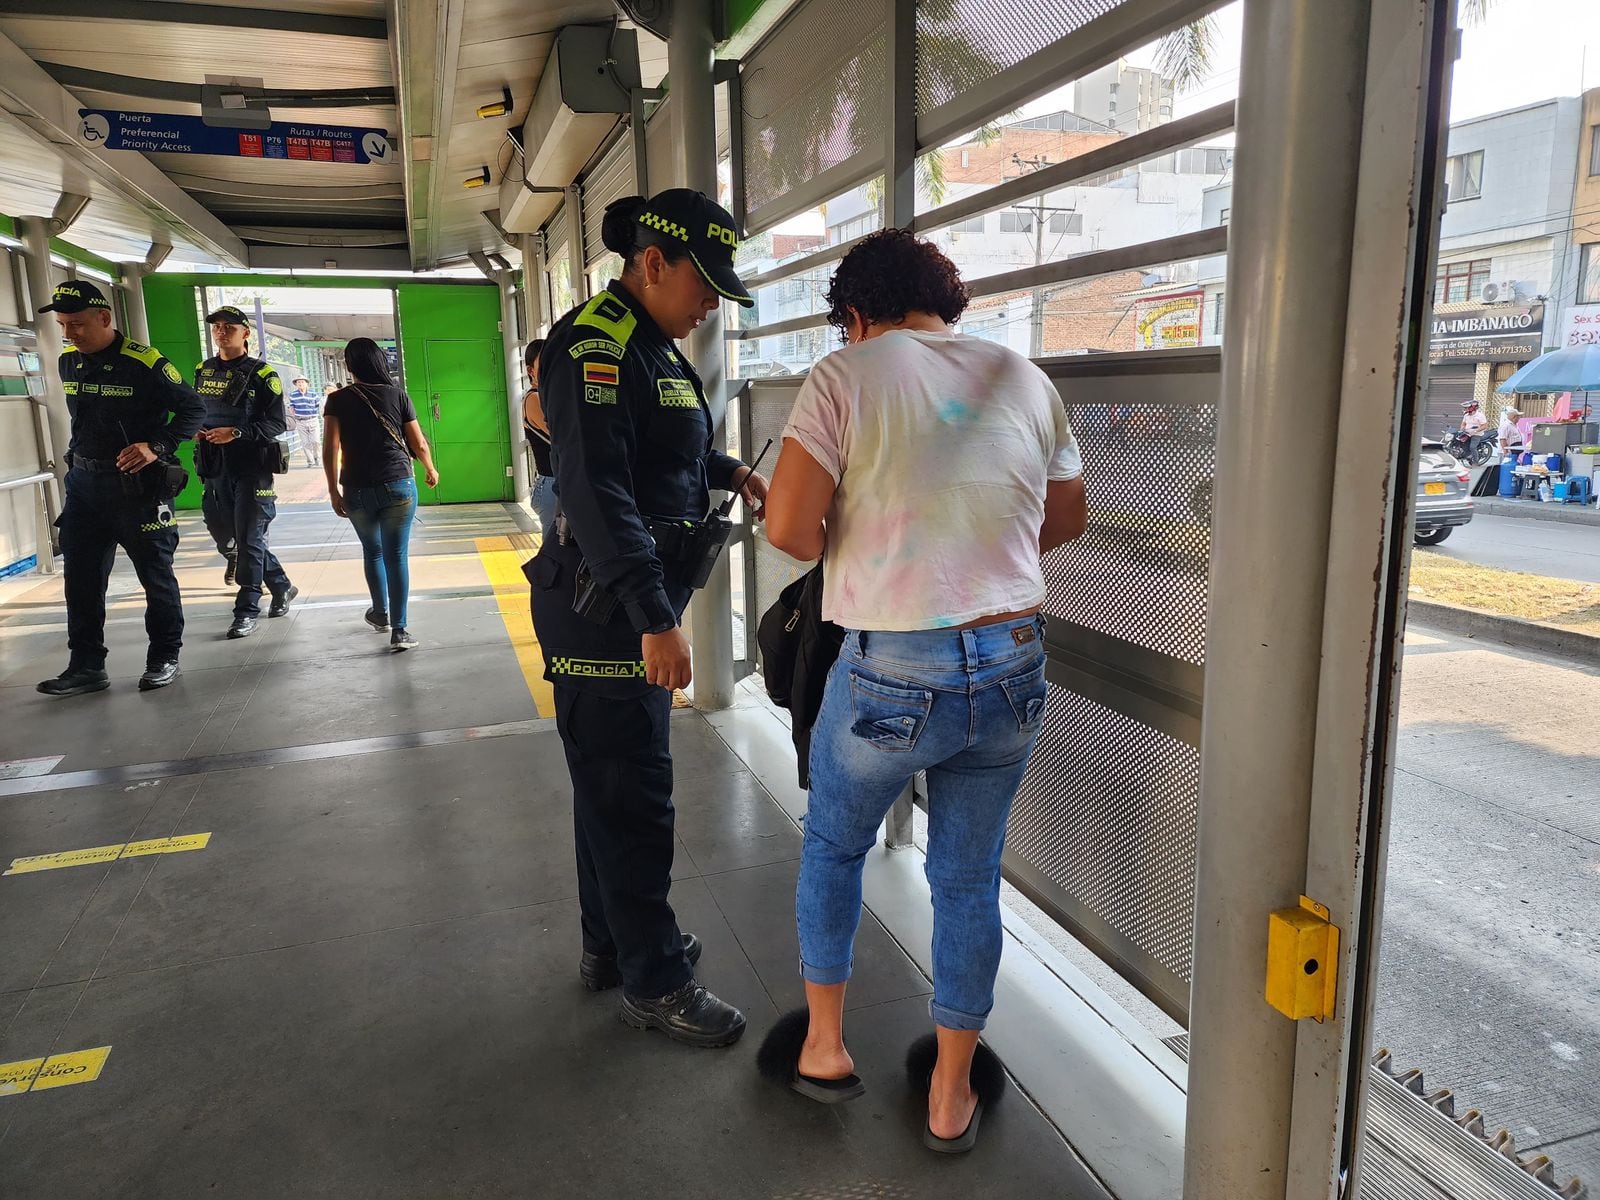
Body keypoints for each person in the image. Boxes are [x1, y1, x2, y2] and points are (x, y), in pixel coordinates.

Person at [759, 230, 1088, 1152]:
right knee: (967, 880)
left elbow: (790, 529)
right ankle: (950, 1094)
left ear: (857, 315)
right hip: (1015, 662)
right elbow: (1060, 519)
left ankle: (824, 1047)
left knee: (833, 848)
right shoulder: (1023, 376)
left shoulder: (847, 372)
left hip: (896, 673)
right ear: (946, 307)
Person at [530, 189, 767, 1048]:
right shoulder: (595, 344)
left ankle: (614, 946)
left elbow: (668, 450)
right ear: (653, 263)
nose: (711, 303)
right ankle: (656, 980)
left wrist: (729, 470)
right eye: (703, 284)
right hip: (607, 612)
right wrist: (653, 614)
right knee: (636, 799)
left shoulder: (651, 348)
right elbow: (597, 490)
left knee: (609, 787)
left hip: (621, 607)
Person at [35, 280, 204, 696]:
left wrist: (157, 445)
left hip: (137, 490)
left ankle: (164, 657)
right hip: (85, 488)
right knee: (81, 579)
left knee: (155, 575)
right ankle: (87, 666)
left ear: (104, 318)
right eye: (63, 325)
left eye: (76, 324)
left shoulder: (143, 362)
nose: (69, 333)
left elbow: (193, 408)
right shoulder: (68, 363)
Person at [322, 338, 438, 650]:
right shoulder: (397, 395)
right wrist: (430, 468)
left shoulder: (337, 400)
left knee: (373, 552)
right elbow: (418, 443)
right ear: (380, 362)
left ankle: (380, 612)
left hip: (356, 489)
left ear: (349, 365)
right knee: (396, 555)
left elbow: (330, 449)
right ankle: (400, 630)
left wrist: (333, 490)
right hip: (397, 484)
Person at [194, 305, 297, 638]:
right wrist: (198, 429)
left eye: (229, 327)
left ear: (245, 333)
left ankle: (247, 607)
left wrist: (237, 433)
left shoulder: (263, 374)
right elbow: (197, 409)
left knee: (250, 535)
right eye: (217, 327)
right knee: (226, 532)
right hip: (213, 465)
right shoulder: (203, 369)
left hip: (252, 466)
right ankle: (280, 584)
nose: (221, 332)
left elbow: (278, 422)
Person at [520, 339, 558, 533]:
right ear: (530, 370)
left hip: (560, 481)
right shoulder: (533, 398)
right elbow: (561, 434)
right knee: (555, 553)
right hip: (550, 484)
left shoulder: (551, 396)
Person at [287, 375, 323, 466]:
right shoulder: (293, 395)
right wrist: (292, 417)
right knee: (305, 442)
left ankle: (317, 457)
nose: (300, 384)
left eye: (302, 382)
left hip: (313, 420)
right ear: (296, 384)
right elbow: (291, 408)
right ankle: (310, 461)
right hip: (300, 421)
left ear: (307, 383)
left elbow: (319, 406)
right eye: (298, 382)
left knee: (316, 441)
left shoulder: (313, 394)